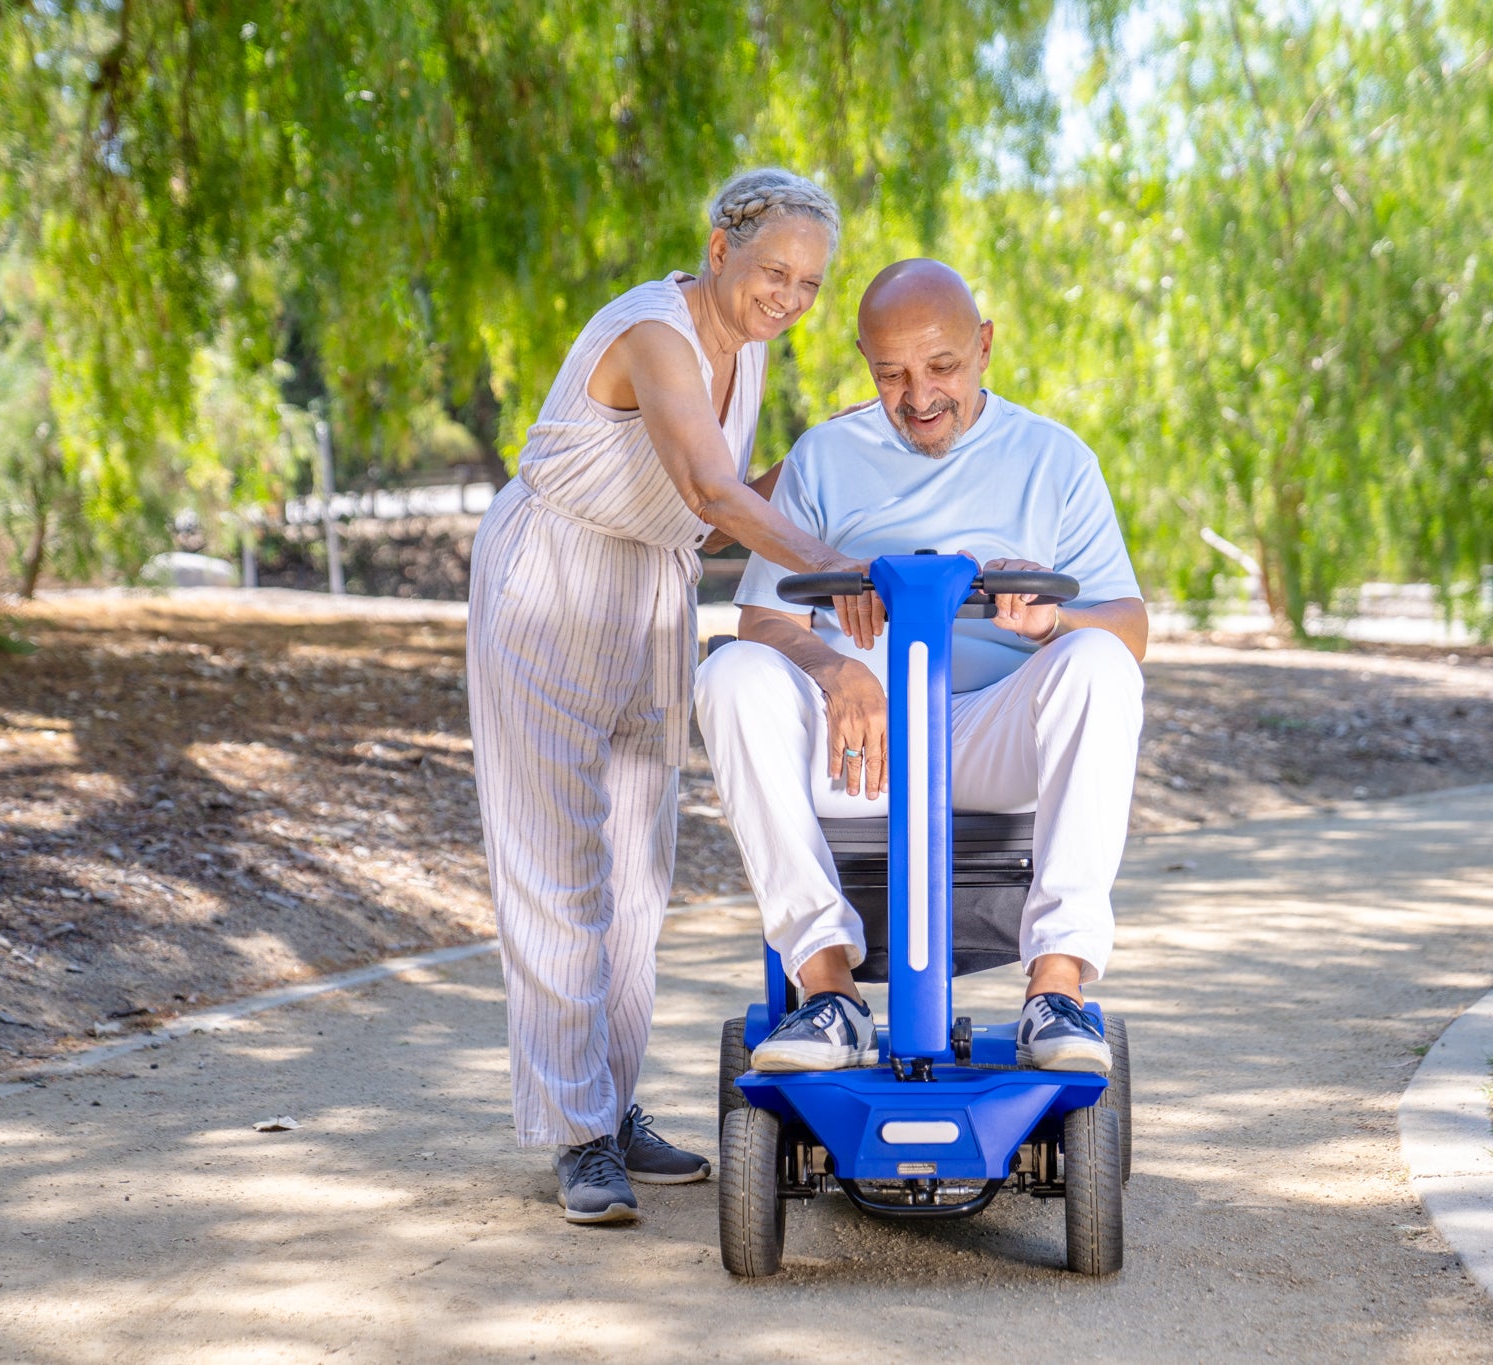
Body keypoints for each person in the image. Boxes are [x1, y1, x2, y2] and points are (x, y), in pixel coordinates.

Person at [466, 169, 877, 1225]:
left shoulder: (749, 350)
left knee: (637, 874)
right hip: (553, 575)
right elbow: (705, 487)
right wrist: (839, 571)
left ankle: (608, 1106)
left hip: (653, 586)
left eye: (810, 284)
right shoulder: (655, 330)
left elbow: (714, 503)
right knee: (555, 864)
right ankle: (575, 1133)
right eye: (775, 271)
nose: (789, 297)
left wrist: (829, 450)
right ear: (719, 248)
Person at [693, 258, 1148, 1075]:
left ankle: (1057, 987)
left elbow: (1131, 626)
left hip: (989, 731)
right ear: (865, 362)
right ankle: (828, 989)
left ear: (985, 347)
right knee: (729, 674)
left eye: (942, 366)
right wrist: (833, 669)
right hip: (860, 741)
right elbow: (762, 619)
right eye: (892, 374)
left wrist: (1053, 618)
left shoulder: (1055, 458)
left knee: (1099, 662)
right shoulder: (825, 456)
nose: (919, 396)